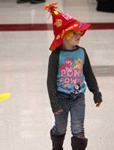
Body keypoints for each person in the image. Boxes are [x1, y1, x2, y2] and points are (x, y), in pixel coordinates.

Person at [44, 3, 102, 150]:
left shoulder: (82, 52)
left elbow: (88, 73)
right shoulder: (55, 56)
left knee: (78, 129)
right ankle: (57, 147)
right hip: (61, 98)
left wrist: (96, 92)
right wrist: (54, 104)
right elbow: (50, 82)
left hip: (78, 98)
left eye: (79, 32)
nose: (79, 35)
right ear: (63, 36)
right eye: (73, 33)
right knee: (60, 128)